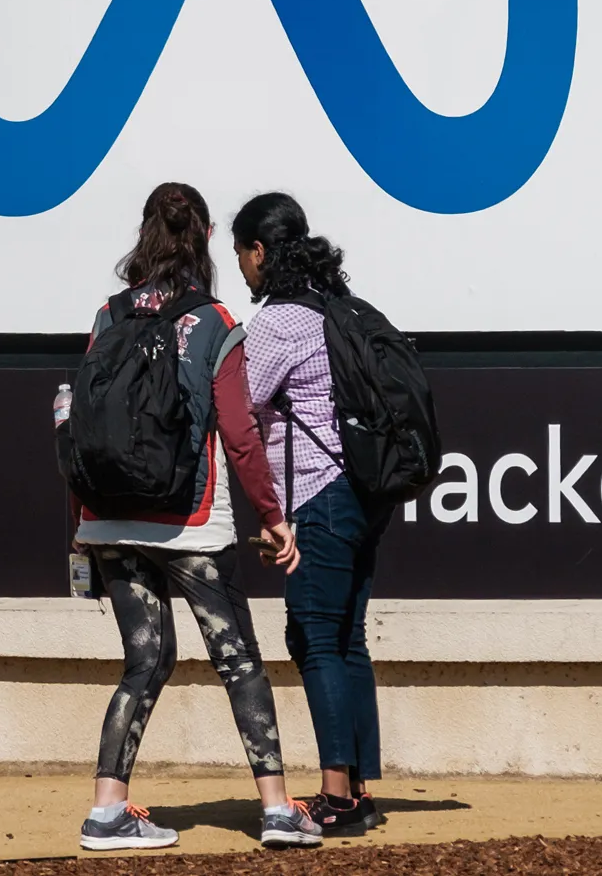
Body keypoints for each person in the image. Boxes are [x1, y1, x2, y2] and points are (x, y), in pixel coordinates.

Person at [68, 181, 324, 852]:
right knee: (237, 658)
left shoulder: (107, 314)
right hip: (189, 520)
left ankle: (106, 813)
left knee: (143, 661)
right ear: (206, 238)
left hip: (110, 520)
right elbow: (240, 435)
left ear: (144, 234)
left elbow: (81, 423)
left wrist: (82, 519)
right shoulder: (212, 320)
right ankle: (276, 809)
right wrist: (272, 517)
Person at [230, 191, 391, 838]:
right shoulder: (333, 309)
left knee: (316, 636)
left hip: (318, 494)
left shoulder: (275, 323)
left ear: (261, 251)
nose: (241, 266)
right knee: (346, 634)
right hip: (362, 492)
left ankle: (335, 795)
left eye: (241, 252)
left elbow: (238, 402)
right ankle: (358, 785)